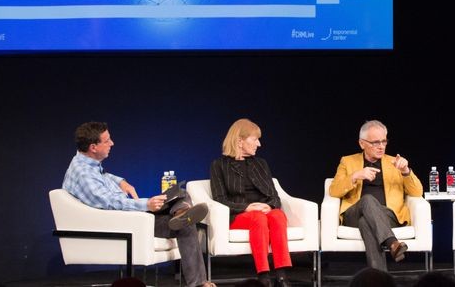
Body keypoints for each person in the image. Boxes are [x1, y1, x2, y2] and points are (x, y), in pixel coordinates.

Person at [62, 122, 214, 287]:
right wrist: (145, 205)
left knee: (179, 192)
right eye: (107, 141)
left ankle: (181, 213)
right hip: (124, 223)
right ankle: (198, 281)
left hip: (129, 217)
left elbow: (103, 175)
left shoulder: (83, 162)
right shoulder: (84, 175)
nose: (112, 143)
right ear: (93, 147)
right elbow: (110, 202)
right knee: (186, 224)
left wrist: (121, 182)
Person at [328, 120, 423, 271]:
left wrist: (406, 171)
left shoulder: (395, 163)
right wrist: (355, 176)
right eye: (375, 142)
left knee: (366, 222)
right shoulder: (348, 161)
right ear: (362, 144)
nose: (381, 146)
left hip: (388, 216)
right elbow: (334, 191)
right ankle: (393, 243)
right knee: (367, 200)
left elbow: (417, 192)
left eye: (384, 141)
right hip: (354, 213)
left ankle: (379, 279)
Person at [210, 118, 293, 287]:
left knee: (278, 215)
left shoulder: (261, 164)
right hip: (238, 215)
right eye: (255, 139)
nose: (259, 144)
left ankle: (282, 275)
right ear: (240, 141)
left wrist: (269, 206)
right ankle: (264, 276)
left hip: (263, 212)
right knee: (258, 218)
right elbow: (219, 200)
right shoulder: (219, 165)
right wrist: (247, 207)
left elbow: (275, 196)